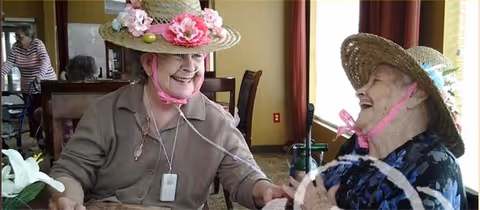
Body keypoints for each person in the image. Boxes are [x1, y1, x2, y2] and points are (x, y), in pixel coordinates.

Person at [48, 1, 285, 210]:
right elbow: (70, 171)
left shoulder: (216, 122)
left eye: (197, 56)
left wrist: (264, 190)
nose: (190, 67)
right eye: (177, 55)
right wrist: (68, 198)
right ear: (148, 61)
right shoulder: (106, 112)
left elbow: (245, 176)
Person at [283, 33, 467, 209]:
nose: (360, 91)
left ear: (416, 95)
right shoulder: (356, 146)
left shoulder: (435, 169)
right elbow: (320, 190)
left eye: (375, 80)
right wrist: (297, 197)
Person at [1, 24, 57, 148]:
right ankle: (39, 140)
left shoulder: (37, 44)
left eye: (19, 36)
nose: (16, 38)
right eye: (15, 35)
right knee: (32, 113)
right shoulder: (16, 47)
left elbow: (45, 61)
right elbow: (9, 63)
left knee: (46, 112)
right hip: (28, 87)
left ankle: (52, 138)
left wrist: (40, 76)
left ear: (29, 36)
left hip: (45, 83)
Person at [33, 55, 99, 147]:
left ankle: (46, 142)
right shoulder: (99, 93)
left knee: (39, 112)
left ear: (69, 73)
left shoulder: (63, 95)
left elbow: (47, 112)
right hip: (96, 143)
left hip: (66, 145)